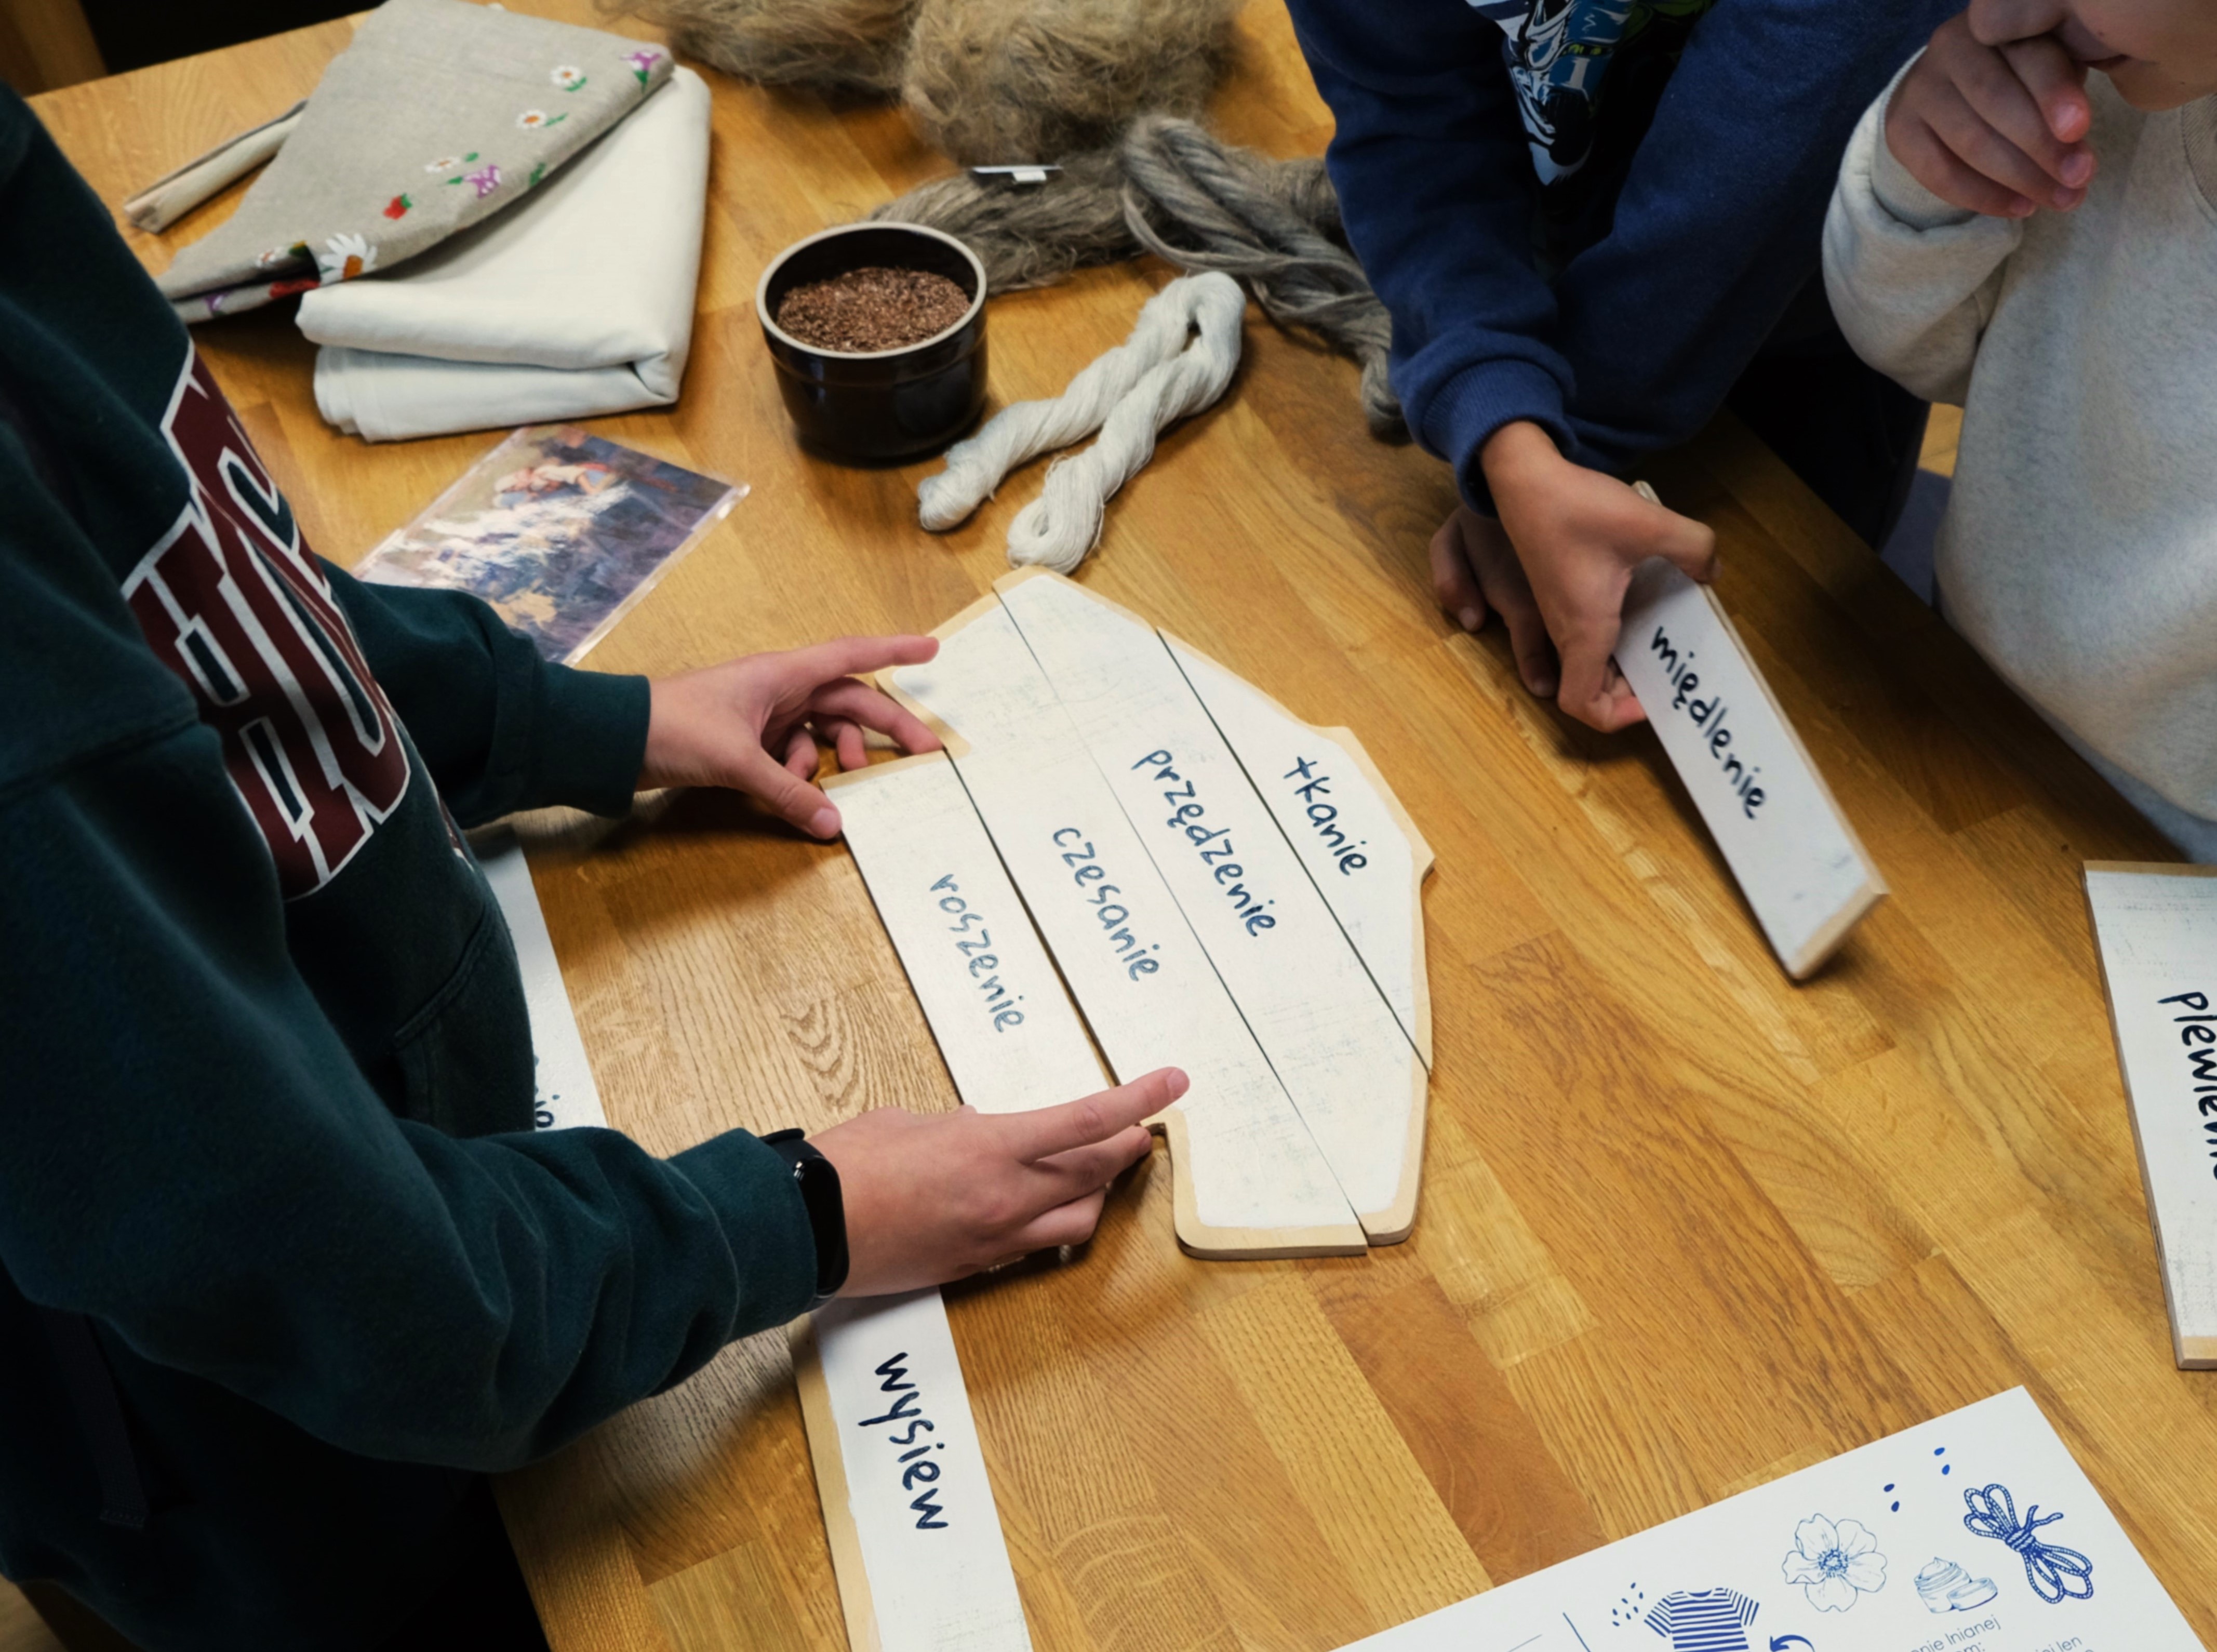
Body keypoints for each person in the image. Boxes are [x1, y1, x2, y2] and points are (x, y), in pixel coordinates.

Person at [0, 83, 1181, 1650]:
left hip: (462, 1227)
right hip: (280, 1458)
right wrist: (800, 1215)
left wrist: (582, 723)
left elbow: (201, 579)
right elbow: (338, 1287)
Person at [1283, 0, 1954, 731]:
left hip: (1812, 307)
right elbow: (1408, 125)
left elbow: (1779, 140)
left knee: (1828, 675)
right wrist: (1507, 432)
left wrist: (1556, 447)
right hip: (1555, 290)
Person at [1822, 0, 2217, 858]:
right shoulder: (2128, 65)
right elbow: (1927, 354)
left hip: (2178, 874)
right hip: (1953, 694)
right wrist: (1921, 181)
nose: (1996, 15)